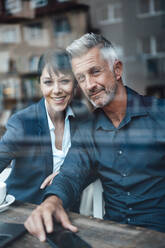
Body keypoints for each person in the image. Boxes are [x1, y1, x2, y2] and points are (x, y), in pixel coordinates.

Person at [25, 33, 165, 242]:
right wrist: (51, 202)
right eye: (81, 78)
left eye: (95, 72)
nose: (89, 85)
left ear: (117, 69)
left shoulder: (159, 115)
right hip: (113, 236)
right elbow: (71, 175)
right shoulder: (87, 131)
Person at [0, 49, 88, 205]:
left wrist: (66, 173)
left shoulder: (82, 115)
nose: (56, 90)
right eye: (48, 82)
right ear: (39, 84)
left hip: (66, 212)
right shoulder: (23, 122)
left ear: (75, 83)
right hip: (23, 211)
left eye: (64, 81)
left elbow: (95, 161)